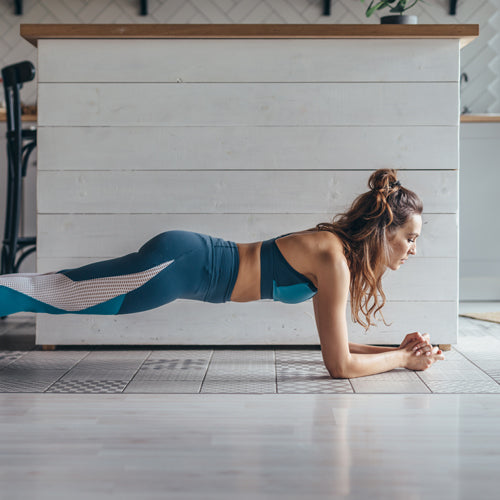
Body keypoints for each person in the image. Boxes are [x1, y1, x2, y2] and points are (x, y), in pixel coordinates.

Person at [0, 168, 444, 378]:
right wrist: (404, 360)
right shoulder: (332, 257)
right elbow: (340, 366)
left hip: (183, 266)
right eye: (411, 238)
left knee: (56, 292)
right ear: (383, 231)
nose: (414, 250)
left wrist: (398, 347)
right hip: (179, 264)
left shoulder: (337, 258)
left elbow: (337, 346)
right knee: (55, 293)